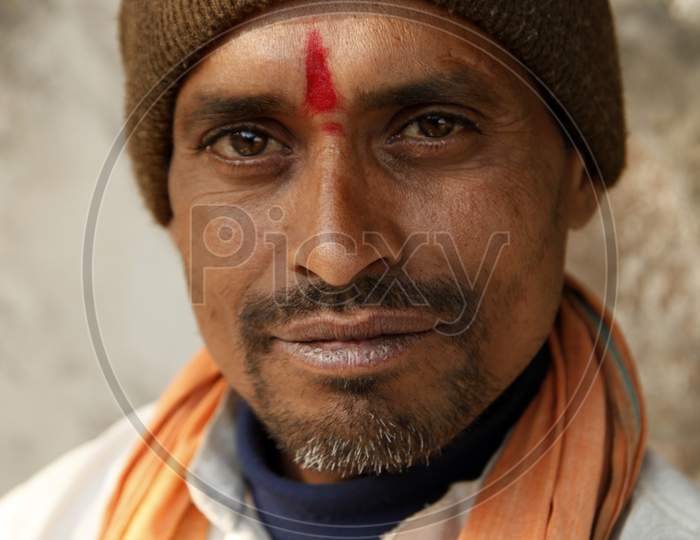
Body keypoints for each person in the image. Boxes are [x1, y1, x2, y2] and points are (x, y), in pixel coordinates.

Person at [2, 0, 700, 538]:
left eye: (433, 126)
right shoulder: (51, 520)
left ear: (579, 175)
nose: (335, 256)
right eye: (246, 141)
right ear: (170, 207)